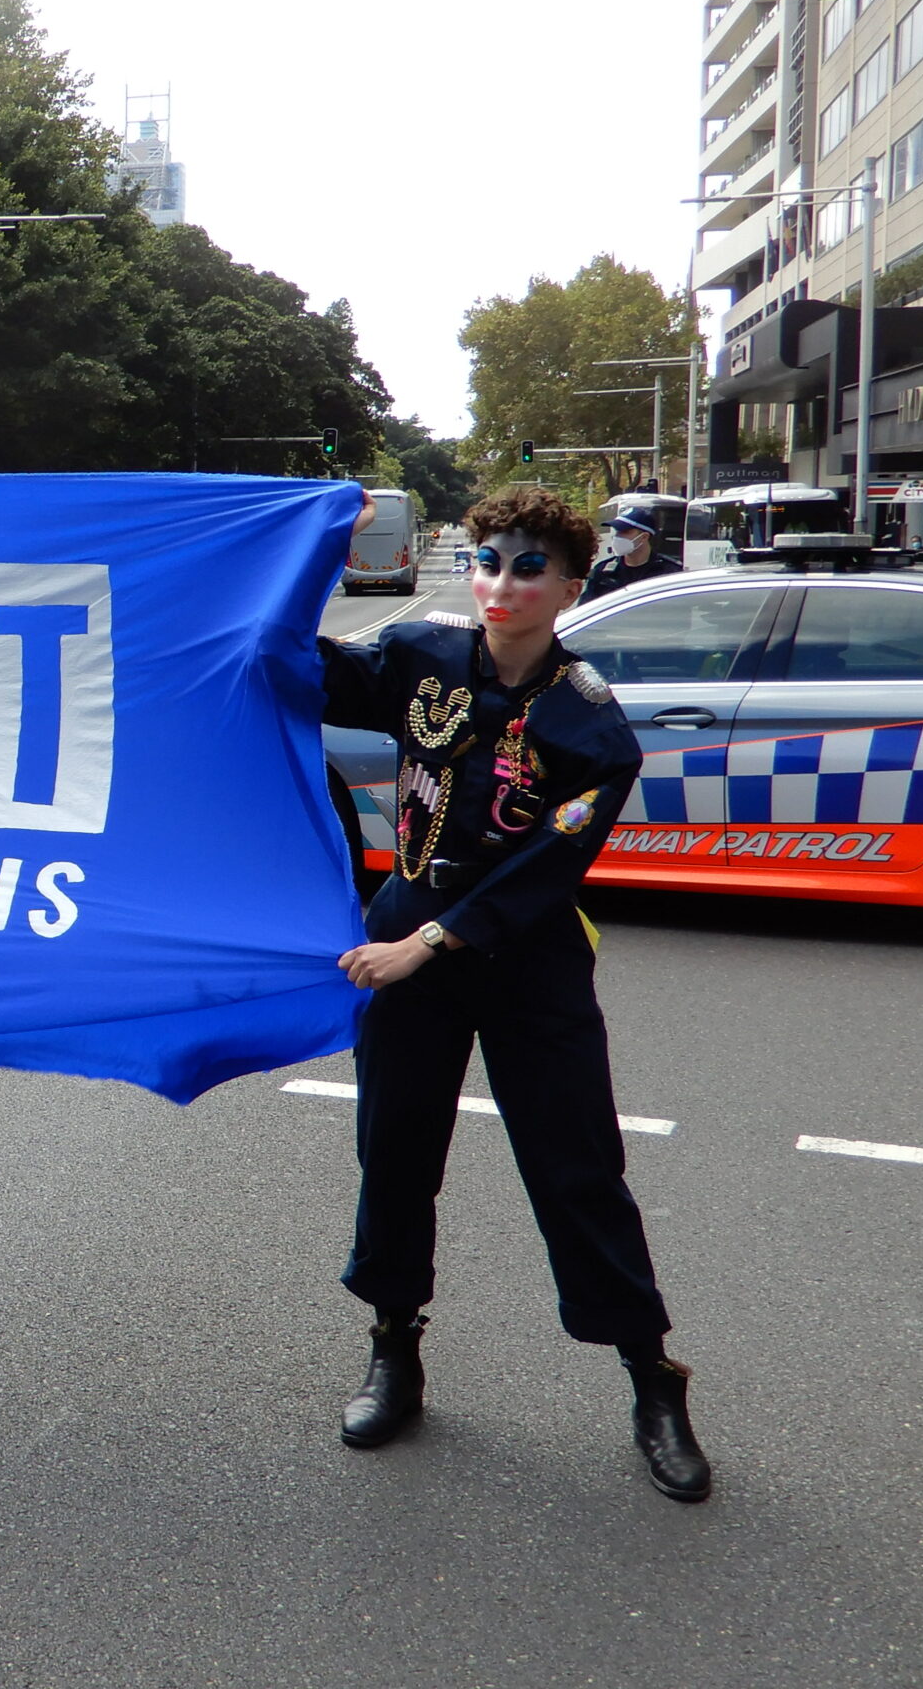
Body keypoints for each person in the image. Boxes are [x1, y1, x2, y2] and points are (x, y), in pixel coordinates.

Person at [316, 485, 709, 1504]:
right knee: (394, 1153)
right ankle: (393, 1348)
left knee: (576, 1169)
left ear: (571, 586)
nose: (500, 582)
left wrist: (426, 944)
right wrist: (317, 551)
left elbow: (544, 868)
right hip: (407, 934)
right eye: (488, 560)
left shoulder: (590, 725)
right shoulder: (419, 659)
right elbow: (293, 672)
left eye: (527, 566)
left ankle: (650, 1378)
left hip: (519, 960)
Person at [581, 511, 681, 604]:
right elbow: (586, 609)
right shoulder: (604, 572)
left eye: (625, 532)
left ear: (644, 537)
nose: (618, 537)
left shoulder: (668, 572)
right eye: (617, 532)